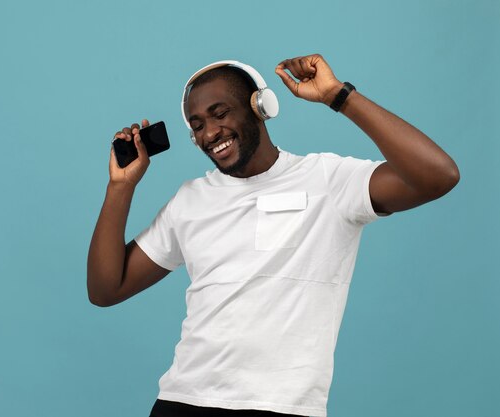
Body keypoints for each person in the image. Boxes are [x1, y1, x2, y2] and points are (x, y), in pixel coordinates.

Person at [87, 54, 460, 417]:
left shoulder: (329, 180)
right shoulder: (190, 200)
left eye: (220, 113)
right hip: (184, 402)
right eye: (198, 125)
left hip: (282, 407)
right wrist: (120, 188)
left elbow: (438, 176)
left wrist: (338, 97)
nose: (211, 133)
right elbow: (106, 290)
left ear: (260, 107)